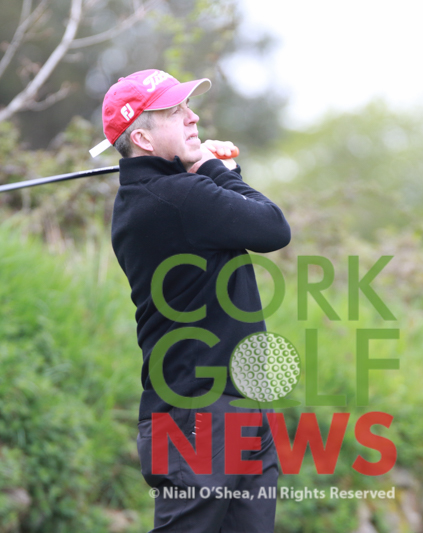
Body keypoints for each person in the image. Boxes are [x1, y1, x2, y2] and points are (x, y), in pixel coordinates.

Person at [92, 69, 290, 532]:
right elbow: (272, 228)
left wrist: (206, 170)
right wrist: (215, 168)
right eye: (174, 112)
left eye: (187, 106)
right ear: (142, 138)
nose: (192, 117)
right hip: (198, 411)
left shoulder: (154, 195)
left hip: (232, 404)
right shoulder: (178, 196)